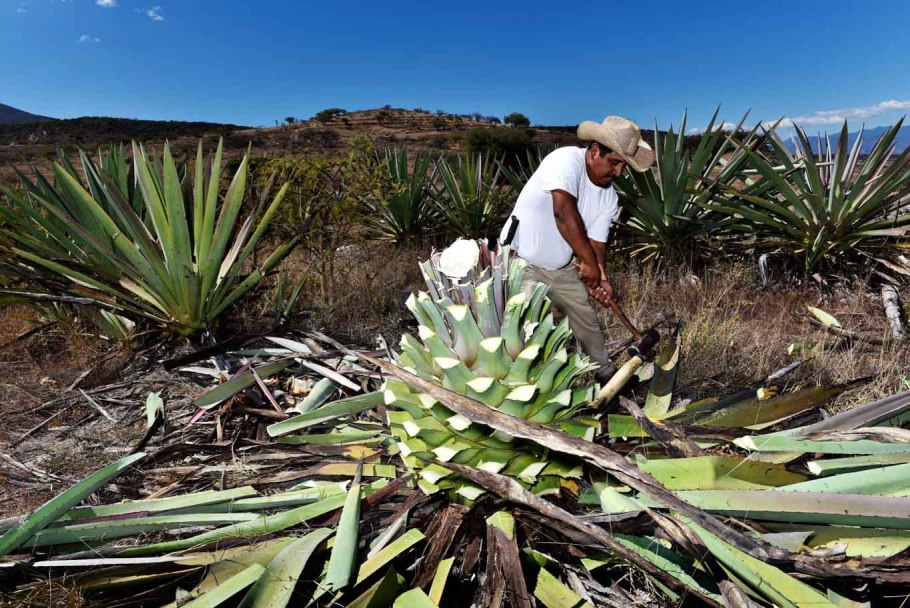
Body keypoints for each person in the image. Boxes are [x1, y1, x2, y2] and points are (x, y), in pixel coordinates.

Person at [499, 115, 655, 382]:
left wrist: (601, 276)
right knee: (521, 328)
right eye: (614, 162)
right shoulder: (566, 161)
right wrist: (588, 263)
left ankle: (605, 375)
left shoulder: (608, 196)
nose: (618, 173)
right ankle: (514, 384)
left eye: (623, 167)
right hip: (522, 262)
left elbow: (597, 243)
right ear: (594, 151)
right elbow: (563, 212)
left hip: (559, 267)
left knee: (585, 317)